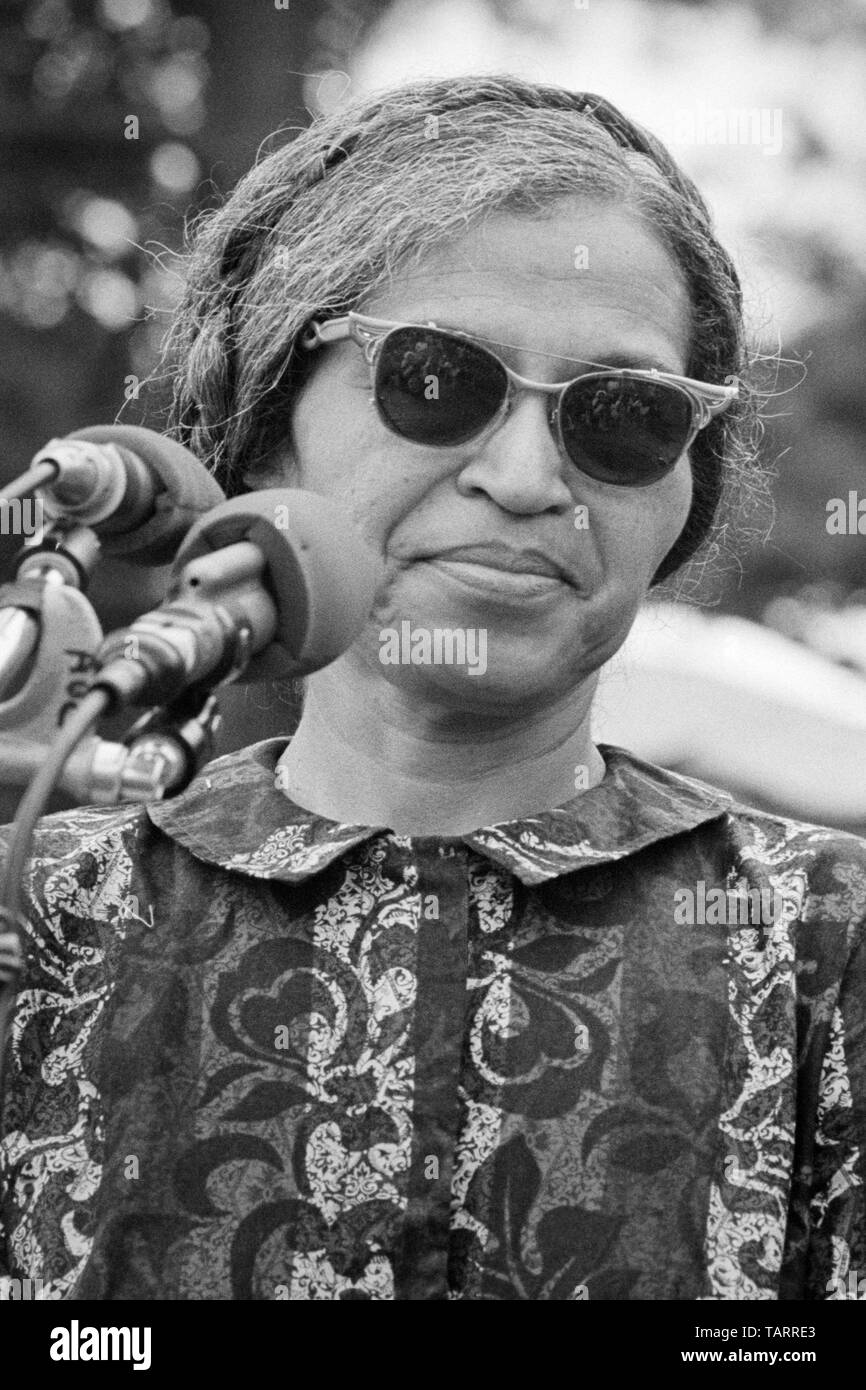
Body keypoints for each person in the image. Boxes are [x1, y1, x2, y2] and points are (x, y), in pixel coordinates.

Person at [0, 74, 864, 1302]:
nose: (521, 477)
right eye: (434, 378)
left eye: (620, 416)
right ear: (266, 425)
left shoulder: (829, 941)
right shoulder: (36, 911)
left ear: (682, 492)